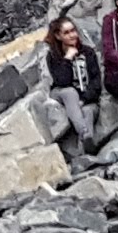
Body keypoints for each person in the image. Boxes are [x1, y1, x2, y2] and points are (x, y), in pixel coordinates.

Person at [38, 15, 99, 146]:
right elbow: (62, 81)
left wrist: (84, 100)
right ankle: (83, 132)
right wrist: (67, 59)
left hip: (86, 98)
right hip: (61, 93)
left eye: (73, 31)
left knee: (88, 111)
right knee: (70, 92)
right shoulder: (53, 56)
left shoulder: (88, 53)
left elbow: (96, 82)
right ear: (58, 36)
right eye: (67, 33)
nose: (72, 35)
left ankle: (87, 146)